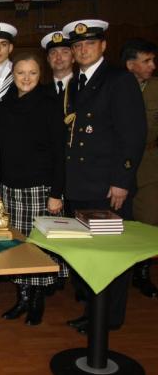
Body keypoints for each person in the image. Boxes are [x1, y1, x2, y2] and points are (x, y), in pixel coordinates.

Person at [61, 19, 147, 334]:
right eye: (78, 45)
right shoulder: (75, 83)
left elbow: (133, 135)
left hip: (107, 187)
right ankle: (93, 311)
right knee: (87, 254)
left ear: (103, 46)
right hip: (79, 185)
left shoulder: (119, 80)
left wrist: (122, 181)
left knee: (110, 255)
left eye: (89, 44)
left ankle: (109, 317)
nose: (83, 49)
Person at [0, 52, 67, 325]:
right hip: (10, 189)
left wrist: (56, 193)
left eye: (32, 73)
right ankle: (22, 296)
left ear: (40, 75)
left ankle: (37, 300)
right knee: (17, 246)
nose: (26, 78)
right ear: (13, 75)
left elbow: (60, 154)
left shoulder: (50, 105)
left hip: (40, 189)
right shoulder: (4, 105)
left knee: (38, 246)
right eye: (21, 73)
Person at [121, 38, 158, 298]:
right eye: (146, 61)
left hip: (148, 165)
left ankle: (142, 273)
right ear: (130, 64)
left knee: (148, 221)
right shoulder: (116, 87)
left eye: (152, 60)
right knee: (121, 222)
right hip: (117, 164)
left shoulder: (156, 89)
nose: (152, 66)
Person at [40, 31, 74, 101]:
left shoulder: (82, 86)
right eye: (53, 53)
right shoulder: (40, 92)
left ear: (73, 58)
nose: (58, 57)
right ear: (48, 59)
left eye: (65, 52)